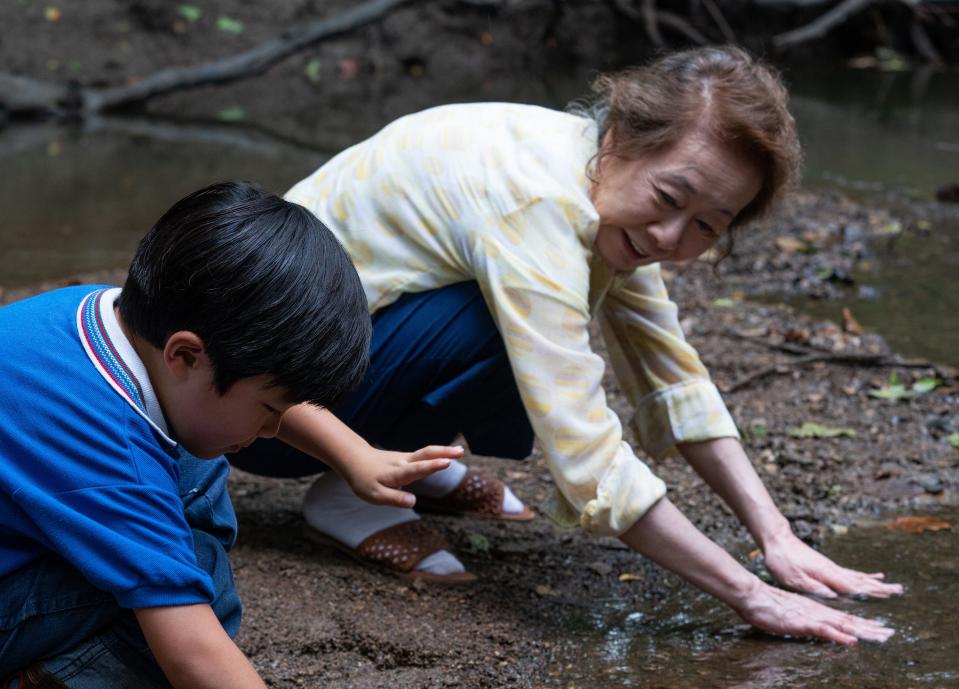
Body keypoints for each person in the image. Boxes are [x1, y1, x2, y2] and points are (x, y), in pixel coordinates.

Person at [231, 46, 902, 643]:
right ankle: (352, 490)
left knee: (524, 309)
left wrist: (775, 534)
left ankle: (407, 452)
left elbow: (670, 376)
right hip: (260, 412)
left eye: (706, 224)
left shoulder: (596, 186)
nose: (671, 236)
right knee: (503, 324)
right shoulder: (540, 207)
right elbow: (586, 452)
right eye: (669, 196)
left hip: (326, 360)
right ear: (617, 139)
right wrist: (751, 595)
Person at [0, 182, 459, 688]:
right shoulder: (114, 459)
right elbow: (193, 652)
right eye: (267, 409)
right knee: (195, 578)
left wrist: (356, 456)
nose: (272, 429)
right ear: (185, 355)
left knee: (192, 473)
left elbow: (259, 384)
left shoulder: (102, 316)